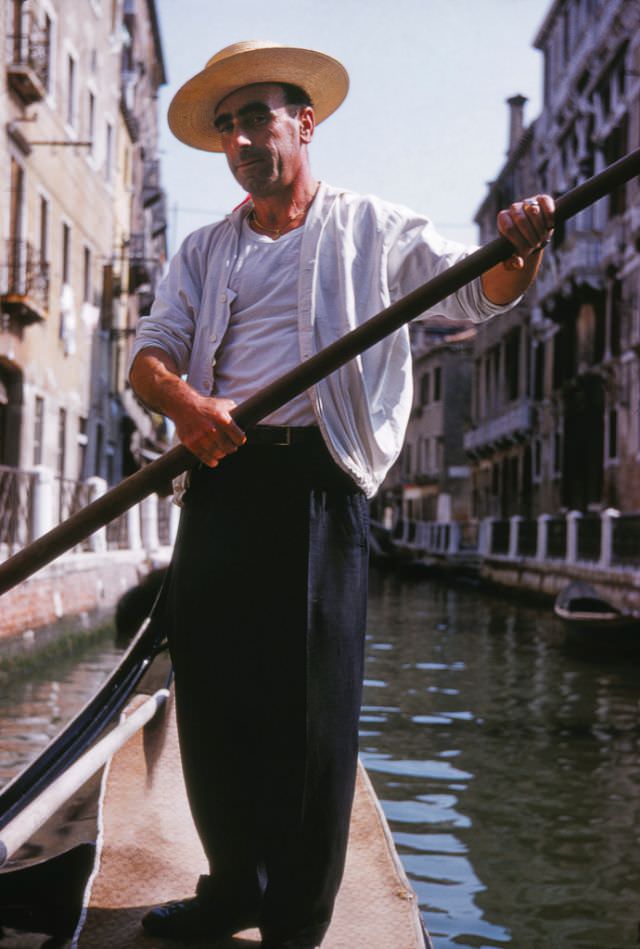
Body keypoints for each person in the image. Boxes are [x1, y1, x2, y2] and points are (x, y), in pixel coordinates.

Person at [129, 40, 555, 949]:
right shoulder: (205, 249)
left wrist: (519, 250)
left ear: (305, 122)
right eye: (229, 125)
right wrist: (188, 403)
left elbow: (478, 293)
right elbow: (151, 354)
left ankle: (296, 919)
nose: (242, 138)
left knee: (311, 710)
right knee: (212, 693)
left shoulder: (373, 228)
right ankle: (233, 884)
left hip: (320, 479)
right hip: (219, 473)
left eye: (258, 117)